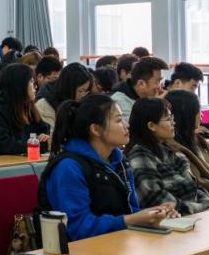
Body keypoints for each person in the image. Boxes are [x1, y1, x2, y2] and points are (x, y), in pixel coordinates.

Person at [38, 94, 172, 241]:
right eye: (119, 120)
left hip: (119, 244)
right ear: (96, 129)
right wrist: (132, 220)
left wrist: (153, 214)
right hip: (81, 251)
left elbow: (130, 210)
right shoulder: (68, 168)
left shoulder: (120, 161)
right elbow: (78, 228)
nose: (126, 125)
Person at [126, 98, 209, 215]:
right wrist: (202, 208)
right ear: (151, 125)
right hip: (175, 220)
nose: (174, 123)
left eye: (172, 118)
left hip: (194, 215)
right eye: (168, 119)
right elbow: (156, 200)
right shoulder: (139, 155)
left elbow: (195, 188)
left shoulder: (171, 152)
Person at [0, 64, 50, 157]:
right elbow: (3, 145)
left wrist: (45, 136)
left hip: (22, 160)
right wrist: (38, 145)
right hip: (0, 162)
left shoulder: (29, 109)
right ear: (19, 86)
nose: (35, 86)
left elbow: (43, 129)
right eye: (31, 82)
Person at [35, 63, 94, 132]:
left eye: (86, 92)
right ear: (67, 88)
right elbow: (50, 136)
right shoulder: (44, 105)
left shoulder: (77, 103)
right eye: (80, 91)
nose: (83, 95)